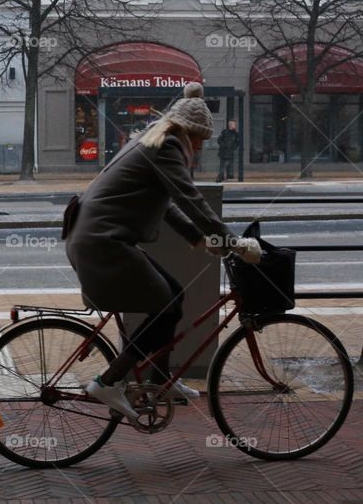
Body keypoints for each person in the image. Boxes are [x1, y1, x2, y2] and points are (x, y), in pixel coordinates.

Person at [64, 83, 261, 420]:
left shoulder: (151, 141)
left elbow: (168, 206)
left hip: (101, 240)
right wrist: (232, 242)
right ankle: (108, 381)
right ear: (189, 132)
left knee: (174, 295)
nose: (199, 148)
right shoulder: (168, 146)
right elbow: (190, 199)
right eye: (200, 140)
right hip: (105, 244)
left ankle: (162, 380)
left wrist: (200, 239)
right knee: (167, 306)